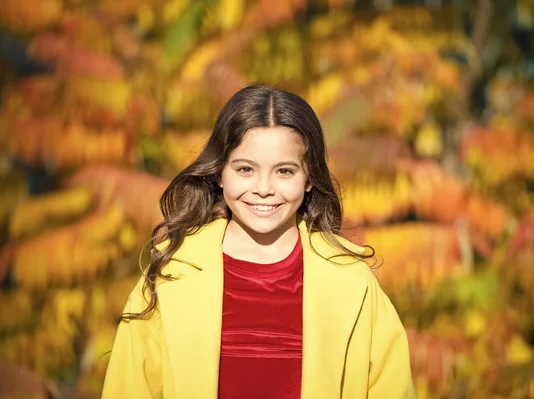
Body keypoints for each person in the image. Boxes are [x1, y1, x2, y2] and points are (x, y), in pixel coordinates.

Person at [102, 84, 416, 399]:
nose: (264, 188)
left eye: (284, 171)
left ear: (308, 179)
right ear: (220, 173)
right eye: (245, 169)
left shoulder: (352, 283)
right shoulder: (172, 275)